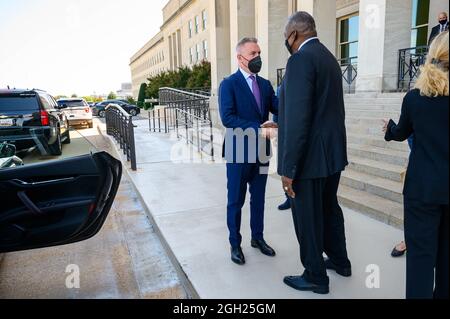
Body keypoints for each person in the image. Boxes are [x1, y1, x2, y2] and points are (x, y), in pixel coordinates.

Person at [277, 12, 351, 295]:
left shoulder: (299, 60)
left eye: (287, 38)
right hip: (332, 154)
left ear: (294, 35)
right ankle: (341, 261)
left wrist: (289, 168)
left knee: (307, 217)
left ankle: (315, 276)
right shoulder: (329, 58)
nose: (287, 43)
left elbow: (299, 120)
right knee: (330, 208)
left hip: (309, 158)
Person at [383, 31, 449, 299]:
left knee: (420, 262)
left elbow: (400, 133)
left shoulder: (414, 98)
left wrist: (388, 129)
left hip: (422, 190)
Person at [219, 37, 279, 266]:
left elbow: (277, 106)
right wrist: (259, 128)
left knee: (259, 199)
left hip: (262, 152)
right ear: (240, 57)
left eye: (259, 53)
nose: (258, 58)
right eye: (253, 53)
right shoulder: (229, 84)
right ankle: (235, 243)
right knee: (235, 201)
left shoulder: (264, 84)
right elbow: (228, 118)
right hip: (238, 152)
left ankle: (258, 238)